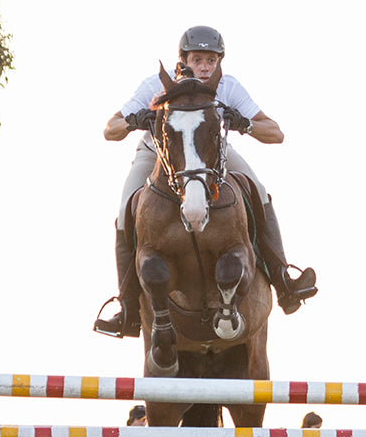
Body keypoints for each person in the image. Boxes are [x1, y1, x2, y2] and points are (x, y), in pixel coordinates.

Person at [94, 25, 317, 337]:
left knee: (260, 191)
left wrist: (244, 124)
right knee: (124, 212)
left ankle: (283, 280)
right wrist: (134, 121)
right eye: (197, 59)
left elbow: (276, 133)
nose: (204, 67)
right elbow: (110, 129)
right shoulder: (155, 85)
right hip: (156, 154)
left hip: (212, 156)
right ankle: (128, 308)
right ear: (183, 59)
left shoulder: (227, 86)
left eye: (211, 60)